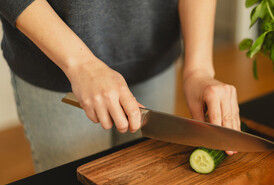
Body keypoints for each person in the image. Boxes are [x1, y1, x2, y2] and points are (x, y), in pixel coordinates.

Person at [0, 0, 240, 172]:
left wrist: (198, 70)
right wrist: (81, 64)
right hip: (56, 64)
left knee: (144, 181)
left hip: (154, 54)